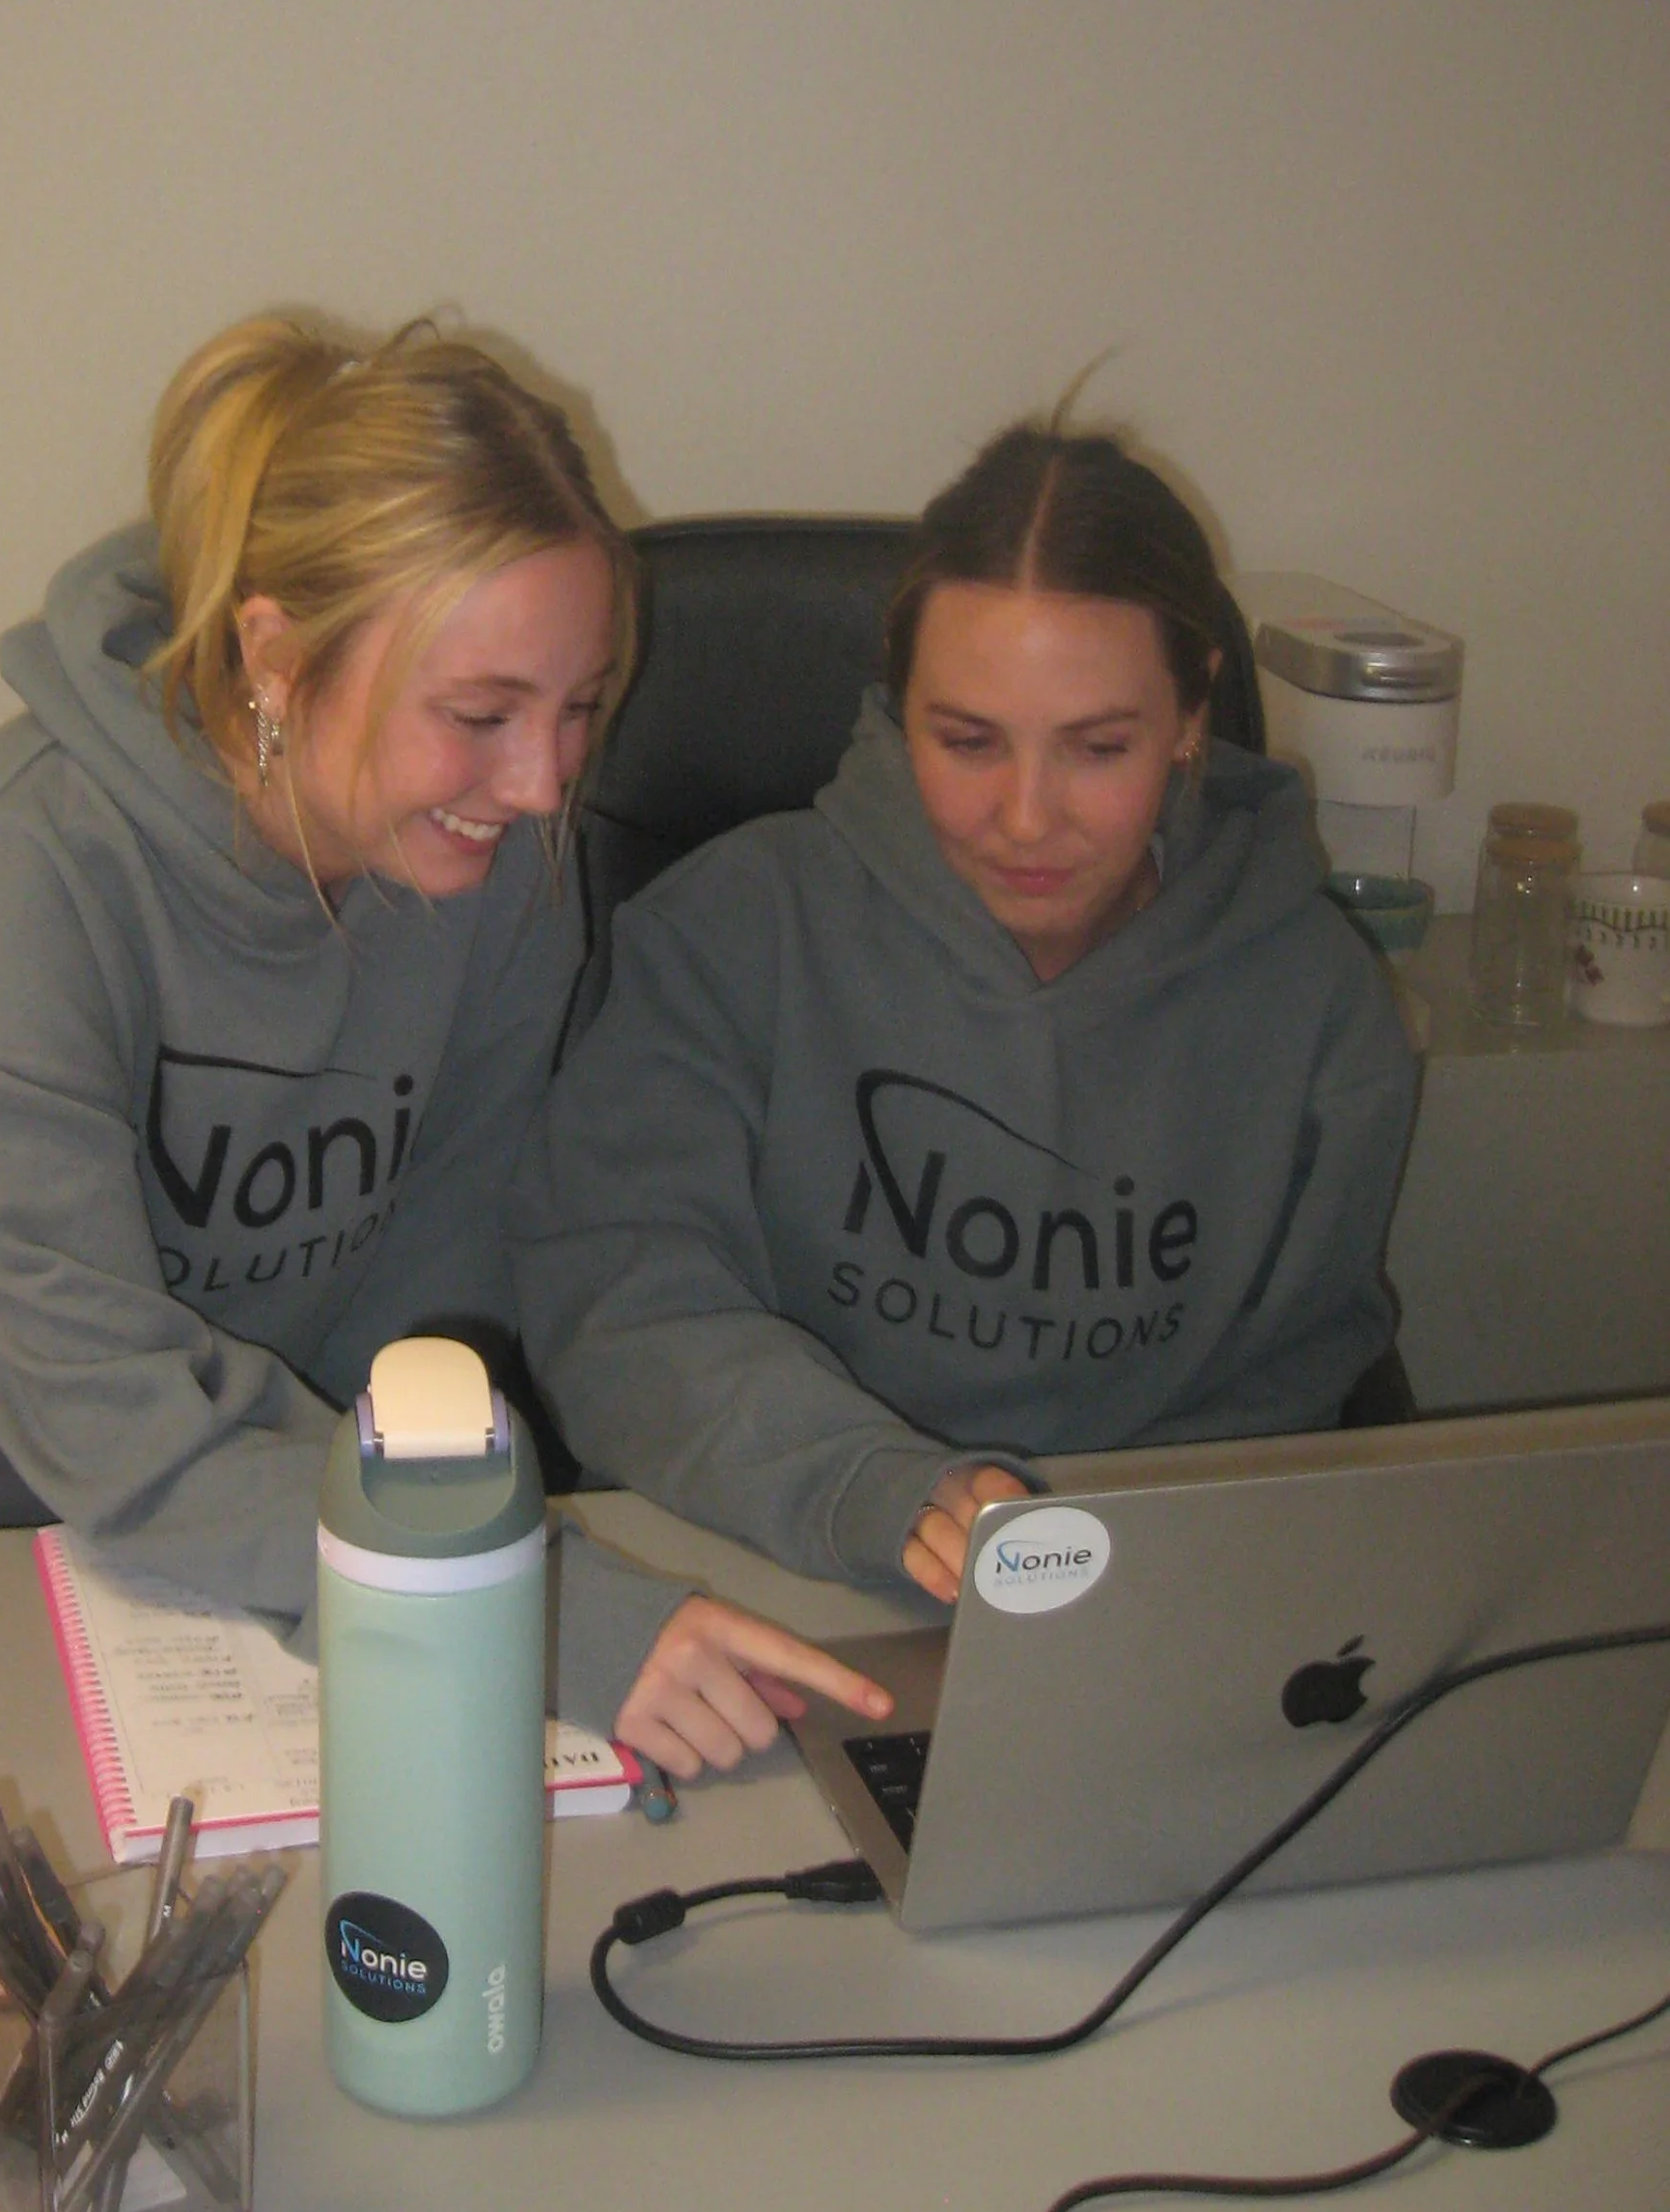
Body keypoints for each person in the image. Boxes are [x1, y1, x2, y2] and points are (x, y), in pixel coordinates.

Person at [0, 312, 884, 1778]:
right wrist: (516, 1606)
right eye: (483, 713)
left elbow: (450, 1290)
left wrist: (442, 1548)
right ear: (275, 659)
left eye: (578, 711)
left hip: (247, 1527)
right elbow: (106, 1419)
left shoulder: (493, 862)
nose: (547, 784)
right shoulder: (36, 871)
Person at [511, 417, 1418, 1610]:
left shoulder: (1313, 996)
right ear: (896, 708)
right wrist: (870, 1488)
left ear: (1192, 713)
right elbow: (620, 1307)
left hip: (1145, 1607)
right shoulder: (728, 932)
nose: (1026, 817)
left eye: (1097, 747)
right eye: (966, 741)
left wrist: (1091, 1589)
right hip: (759, 1568)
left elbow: (1294, 1387)